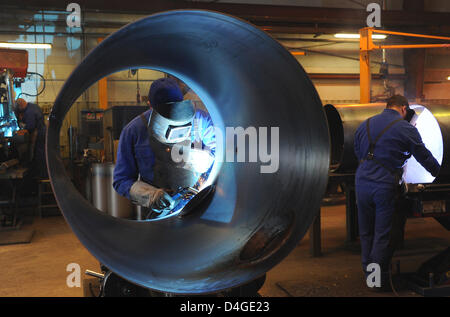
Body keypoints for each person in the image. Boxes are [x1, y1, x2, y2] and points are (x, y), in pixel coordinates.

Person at [354, 94, 440, 290]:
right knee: (381, 234)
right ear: (403, 109)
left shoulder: (365, 124)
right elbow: (423, 155)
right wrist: (438, 172)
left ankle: (369, 276)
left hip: (361, 181)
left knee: (366, 232)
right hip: (383, 184)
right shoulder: (405, 128)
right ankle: (376, 281)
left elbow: (358, 152)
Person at [113, 77, 215, 218]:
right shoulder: (133, 131)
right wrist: (151, 195)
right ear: (150, 106)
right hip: (158, 215)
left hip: (198, 207)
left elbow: (221, 155)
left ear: (182, 103)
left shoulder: (200, 121)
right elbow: (121, 180)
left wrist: (199, 160)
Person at [14, 98, 47, 179]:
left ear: (21, 106)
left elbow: (30, 127)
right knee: (41, 155)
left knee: (40, 156)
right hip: (42, 132)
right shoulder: (33, 106)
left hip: (39, 135)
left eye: (19, 110)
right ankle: (42, 175)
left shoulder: (29, 112)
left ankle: (42, 176)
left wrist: (19, 130)